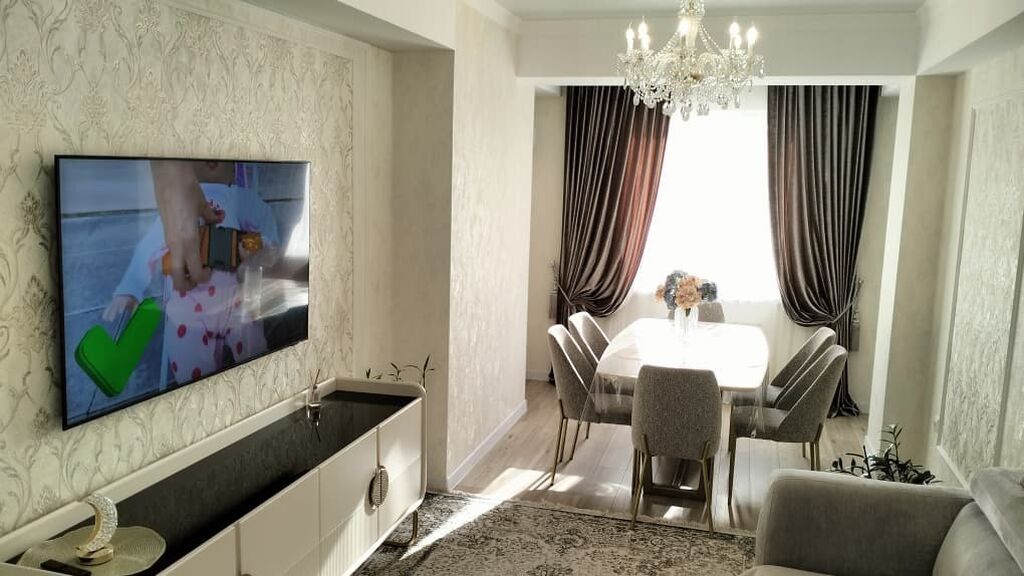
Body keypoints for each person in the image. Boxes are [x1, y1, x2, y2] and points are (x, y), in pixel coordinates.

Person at [103, 160, 280, 383]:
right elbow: (148, 246)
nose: (211, 159)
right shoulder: (179, 200)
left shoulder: (241, 197)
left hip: (237, 298)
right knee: (189, 365)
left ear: (234, 170)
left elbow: (267, 229)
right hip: (189, 305)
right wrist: (130, 288)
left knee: (255, 353)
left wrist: (260, 247)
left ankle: (259, 384)